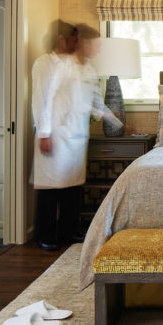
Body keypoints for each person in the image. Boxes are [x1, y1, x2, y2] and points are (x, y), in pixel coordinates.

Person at [32, 22, 125, 250]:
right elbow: (41, 100)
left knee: (72, 188)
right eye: (95, 44)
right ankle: (44, 235)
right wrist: (44, 133)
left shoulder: (86, 69)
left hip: (75, 135)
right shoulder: (47, 64)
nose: (98, 49)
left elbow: (94, 103)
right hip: (55, 133)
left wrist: (117, 122)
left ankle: (68, 232)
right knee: (50, 190)